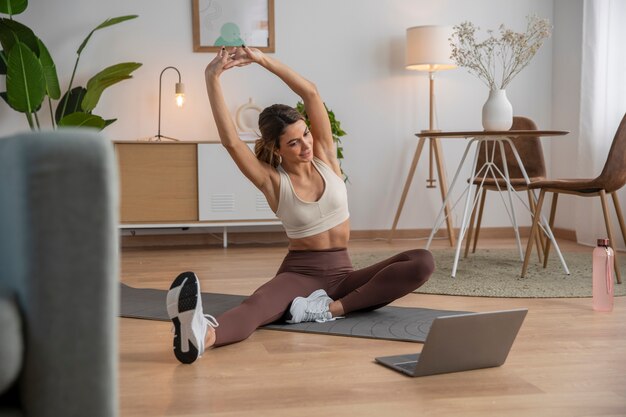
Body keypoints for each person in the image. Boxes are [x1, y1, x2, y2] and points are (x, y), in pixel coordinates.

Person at [166, 46, 435, 364]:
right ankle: (201, 337)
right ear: (277, 148)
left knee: (422, 261)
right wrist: (212, 77)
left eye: (305, 134)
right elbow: (231, 141)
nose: (305, 144)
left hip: (344, 276)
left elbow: (310, 92)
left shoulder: (324, 154)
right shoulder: (272, 181)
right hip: (300, 276)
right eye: (293, 142)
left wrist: (263, 60)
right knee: (256, 308)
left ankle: (328, 310)